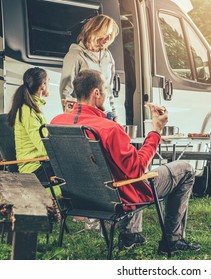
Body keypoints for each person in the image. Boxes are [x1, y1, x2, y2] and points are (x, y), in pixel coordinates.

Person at [51, 69, 200, 255]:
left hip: (79, 199)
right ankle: (172, 240)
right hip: (118, 198)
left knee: (123, 169)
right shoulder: (109, 129)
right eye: (106, 89)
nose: (107, 95)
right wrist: (156, 131)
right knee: (185, 169)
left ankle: (131, 235)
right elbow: (136, 170)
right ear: (96, 93)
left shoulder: (57, 122)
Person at [60, 14, 119, 121]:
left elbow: (108, 89)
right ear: (95, 31)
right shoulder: (75, 55)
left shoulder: (108, 55)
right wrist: (72, 119)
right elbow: (66, 92)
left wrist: (113, 114)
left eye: (110, 35)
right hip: (85, 116)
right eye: (105, 34)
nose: (108, 39)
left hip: (106, 114)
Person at [7, 67, 53, 183]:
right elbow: (44, 147)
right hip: (34, 168)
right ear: (43, 85)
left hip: (39, 163)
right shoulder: (28, 111)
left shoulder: (32, 107)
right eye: (48, 82)